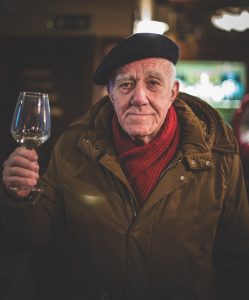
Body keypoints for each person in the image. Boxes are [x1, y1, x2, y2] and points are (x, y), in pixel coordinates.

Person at [1, 33, 249, 300]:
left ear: (172, 92)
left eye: (153, 83)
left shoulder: (219, 155)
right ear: (111, 94)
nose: (139, 97)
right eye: (126, 85)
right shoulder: (71, 147)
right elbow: (37, 240)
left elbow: (237, 259)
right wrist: (19, 197)